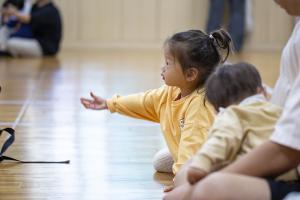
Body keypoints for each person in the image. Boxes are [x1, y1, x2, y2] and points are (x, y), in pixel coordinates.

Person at [163, 0, 300, 200]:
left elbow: (287, 149)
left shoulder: (233, 116)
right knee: (188, 172)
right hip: (280, 155)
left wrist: (204, 180)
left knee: (206, 187)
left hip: (287, 166)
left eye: (168, 63)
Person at [81, 29, 233, 175]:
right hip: (194, 150)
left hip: (215, 159)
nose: (163, 68)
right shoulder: (171, 92)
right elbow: (144, 102)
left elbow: (192, 147)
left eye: (168, 63)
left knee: (192, 167)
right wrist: (109, 103)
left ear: (190, 74)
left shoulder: (200, 106)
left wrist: (183, 182)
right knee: (160, 161)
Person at [169, 62, 298, 191]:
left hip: (255, 177)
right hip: (291, 172)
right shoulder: (280, 110)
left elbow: (220, 140)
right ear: (261, 91)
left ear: (218, 109)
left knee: (189, 170)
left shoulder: (232, 114)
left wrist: (201, 165)